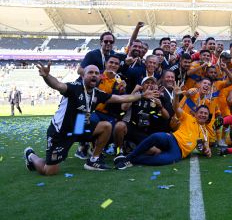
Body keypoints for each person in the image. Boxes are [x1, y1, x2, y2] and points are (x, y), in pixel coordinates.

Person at [24, 64, 159, 175]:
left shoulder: (97, 93)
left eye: (96, 73)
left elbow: (121, 99)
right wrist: (47, 76)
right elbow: (58, 85)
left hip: (78, 127)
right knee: (50, 171)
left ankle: (93, 160)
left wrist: (141, 96)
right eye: (90, 72)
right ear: (83, 75)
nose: (94, 75)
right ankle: (31, 156)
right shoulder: (74, 87)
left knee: (106, 126)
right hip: (61, 130)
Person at [114, 81, 212, 168]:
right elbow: (176, 108)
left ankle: (132, 160)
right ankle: (129, 157)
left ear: (208, 117)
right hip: (172, 138)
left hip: (179, 152)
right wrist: (176, 95)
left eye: (205, 114)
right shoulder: (188, 117)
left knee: (161, 160)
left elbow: (205, 149)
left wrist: (207, 151)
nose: (203, 115)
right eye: (201, 112)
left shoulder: (205, 133)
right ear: (195, 114)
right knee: (156, 136)